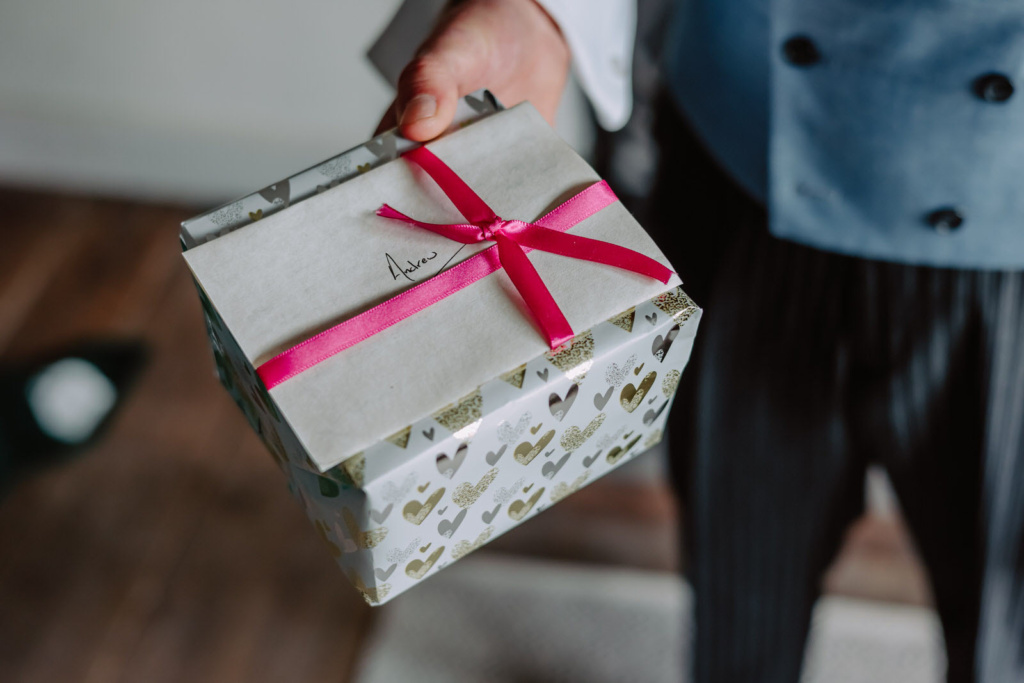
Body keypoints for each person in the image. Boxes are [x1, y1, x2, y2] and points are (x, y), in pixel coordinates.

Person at [380, 1, 1024, 680]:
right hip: (741, 161)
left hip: (1010, 235)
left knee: (1004, 630)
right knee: (742, 592)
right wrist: (540, 9)